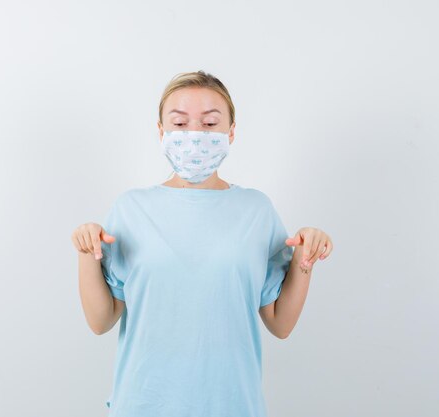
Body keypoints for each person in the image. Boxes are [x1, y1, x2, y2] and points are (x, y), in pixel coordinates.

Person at [72, 70, 333, 417]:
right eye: (180, 124)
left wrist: (305, 257)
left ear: (231, 132)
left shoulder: (256, 210)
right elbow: (101, 321)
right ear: (161, 131)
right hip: (144, 404)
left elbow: (280, 323)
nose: (194, 134)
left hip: (232, 405)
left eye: (210, 124)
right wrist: (86, 254)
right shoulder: (131, 209)